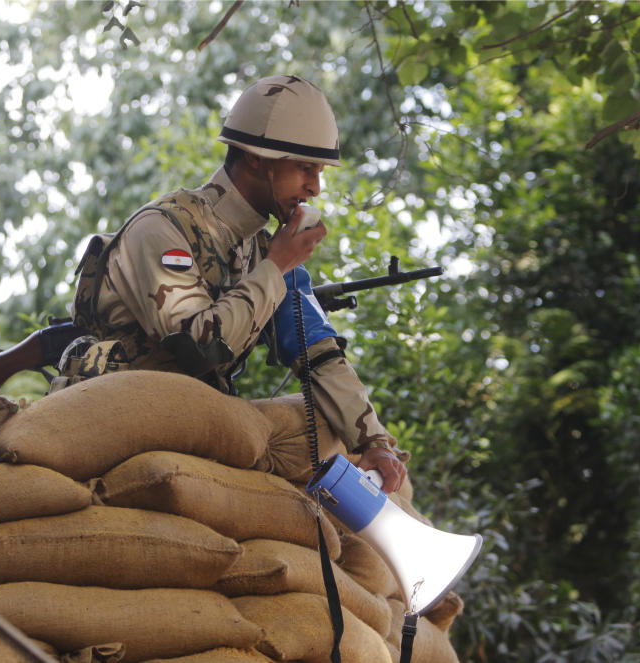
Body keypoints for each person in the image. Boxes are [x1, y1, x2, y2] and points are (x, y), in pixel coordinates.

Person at [60, 75, 408, 492]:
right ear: (257, 159)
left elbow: (318, 350)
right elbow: (196, 348)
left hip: (202, 421)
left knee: (329, 429)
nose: (315, 187)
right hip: (122, 410)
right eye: (304, 168)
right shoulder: (162, 228)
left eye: (317, 171)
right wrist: (276, 267)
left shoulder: (264, 251)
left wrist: (372, 440)